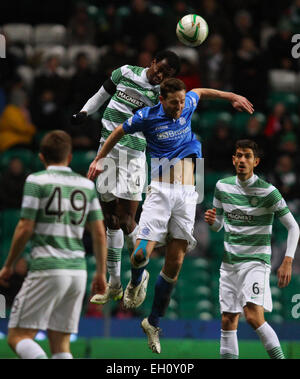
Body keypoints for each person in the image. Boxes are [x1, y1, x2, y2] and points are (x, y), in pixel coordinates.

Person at [88, 78, 254, 353]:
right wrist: (99, 159)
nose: (179, 106)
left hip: (189, 193)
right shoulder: (147, 116)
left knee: (175, 263)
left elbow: (200, 92)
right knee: (140, 255)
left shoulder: (187, 103)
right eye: (173, 102)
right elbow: (118, 130)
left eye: (180, 101)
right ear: (161, 100)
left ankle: (152, 323)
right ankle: (136, 281)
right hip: (160, 191)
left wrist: (231, 95)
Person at [72, 50, 181, 306]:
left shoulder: (160, 96)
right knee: (111, 220)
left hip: (132, 157)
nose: (160, 76)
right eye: (159, 69)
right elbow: (101, 95)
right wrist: (84, 112)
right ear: (152, 62)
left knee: (127, 219)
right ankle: (115, 284)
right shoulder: (126, 72)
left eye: (167, 75)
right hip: (106, 152)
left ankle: (140, 276)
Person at [0, 130, 107, 359]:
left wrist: (9, 265)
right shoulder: (86, 186)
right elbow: (99, 232)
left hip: (47, 267)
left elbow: (25, 227)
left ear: (41, 157)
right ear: (69, 157)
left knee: (17, 336)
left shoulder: (36, 181)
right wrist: (100, 273)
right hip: (77, 273)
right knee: (61, 345)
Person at [204, 139, 299, 359]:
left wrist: (288, 260)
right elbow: (219, 225)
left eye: (247, 156)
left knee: (253, 316)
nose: (242, 160)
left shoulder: (268, 192)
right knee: (228, 320)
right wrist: (212, 221)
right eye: (239, 155)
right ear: (233, 159)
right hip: (229, 264)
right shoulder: (222, 186)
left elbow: (293, 227)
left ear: (255, 161)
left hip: (256, 262)